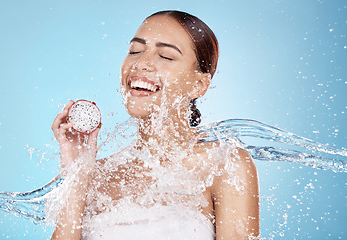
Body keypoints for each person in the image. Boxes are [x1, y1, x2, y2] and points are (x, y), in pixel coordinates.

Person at [50, 10, 260, 240]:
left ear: (198, 84)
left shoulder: (224, 163)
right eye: (135, 51)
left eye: (166, 56)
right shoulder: (94, 174)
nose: (140, 63)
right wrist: (76, 175)